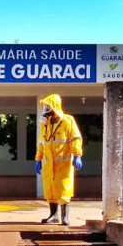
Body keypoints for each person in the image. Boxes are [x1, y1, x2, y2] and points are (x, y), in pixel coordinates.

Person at [35, 94, 83, 225]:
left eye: (47, 106)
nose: (45, 109)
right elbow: (41, 143)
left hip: (63, 163)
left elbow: (75, 138)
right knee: (50, 190)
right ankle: (53, 215)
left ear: (54, 106)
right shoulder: (45, 124)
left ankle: (65, 217)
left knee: (64, 189)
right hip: (48, 164)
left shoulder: (68, 120)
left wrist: (77, 154)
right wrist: (38, 159)